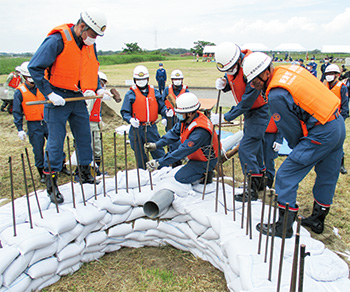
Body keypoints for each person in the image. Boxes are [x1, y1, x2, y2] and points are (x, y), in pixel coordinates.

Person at [243, 52, 345, 238]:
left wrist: (300, 151)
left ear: (265, 73)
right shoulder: (287, 70)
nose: (252, 85)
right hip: (336, 124)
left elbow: (291, 130)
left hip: (321, 132)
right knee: (327, 174)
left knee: (286, 175)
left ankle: (284, 226)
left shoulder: (276, 94)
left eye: (254, 80)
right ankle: (317, 220)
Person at [28, 8, 108, 204]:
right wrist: (49, 93)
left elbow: (90, 68)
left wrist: (96, 89)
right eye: (93, 34)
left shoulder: (89, 44)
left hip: (77, 97)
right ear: (82, 26)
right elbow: (34, 67)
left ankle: (83, 173)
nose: (94, 39)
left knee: (83, 136)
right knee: (56, 140)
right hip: (57, 97)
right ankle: (51, 182)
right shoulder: (57, 40)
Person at [211, 42, 269, 202]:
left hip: (259, 111)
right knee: (255, 149)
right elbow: (233, 79)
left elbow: (246, 102)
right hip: (251, 111)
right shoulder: (231, 65)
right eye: (225, 71)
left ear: (239, 61)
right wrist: (224, 85)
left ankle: (252, 188)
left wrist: (225, 117)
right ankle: (261, 182)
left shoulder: (252, 69)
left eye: (230, 69)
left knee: (246, 149)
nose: (228, 72)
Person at [13, 62, 70, 184]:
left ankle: (62, 166)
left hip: (48, 121)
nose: (33, 82)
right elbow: (17, 111)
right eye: (30, 80)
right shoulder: (20, 92)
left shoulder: (43, 87)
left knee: (56, 145)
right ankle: (42, 173)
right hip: (34, 125)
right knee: (38, 149)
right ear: (24, 77)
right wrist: (20, 129)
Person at [144, 92, 218, 184]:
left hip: (205, 161)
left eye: (180, 113)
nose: (177, 115)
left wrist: (159, 162)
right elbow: (172, 134)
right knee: (175, 144)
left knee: (180, 178)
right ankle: (186, 166)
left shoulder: (200, 131)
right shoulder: (186, 120)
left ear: (190, 113)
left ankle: (206, 173)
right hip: (196, 154)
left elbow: (183, 151)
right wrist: (156, 145)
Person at [121, 65, 170, 169]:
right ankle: (143, 173)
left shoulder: (155, 92)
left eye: (143, 79)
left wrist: (165, 114)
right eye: (139, 79)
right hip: (137, 128)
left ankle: (164, 170)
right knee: (139, 153)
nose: (141, 81)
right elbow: (125, 112)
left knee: (158, 150)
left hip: (151, 127)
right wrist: (130, 119)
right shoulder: (130, 94)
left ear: (147, 79)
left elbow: (161, 107)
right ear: (135, 80)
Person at [324, 64, 349, 174]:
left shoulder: (342, 87)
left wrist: (340, 121)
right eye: (327, 74)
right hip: (325, 119)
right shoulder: (324, 86)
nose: (329, 76)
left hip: (337, 119)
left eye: (331, 74)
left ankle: (340, 165)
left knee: (338, 143)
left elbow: (345, 107)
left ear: (337, 75)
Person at [162, 69, 190, 163]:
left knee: (183, 138)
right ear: (172, 80)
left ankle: (182, 155)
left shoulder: (185, 90)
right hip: (171, 118)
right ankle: (172, 158)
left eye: (179, 79)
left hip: (182, 118)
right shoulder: (167, 90)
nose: (177, 81)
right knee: (171, 138)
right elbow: (162, 104)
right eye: (175, 79)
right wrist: (164, 116)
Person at [263, 117, 283, 188]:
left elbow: (282, 122)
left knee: (268, 160)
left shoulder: (277, 107)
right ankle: (254, 183)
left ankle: (268, 184)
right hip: (258, 132)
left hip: (271, 136)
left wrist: (279, 139)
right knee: (255, 159)